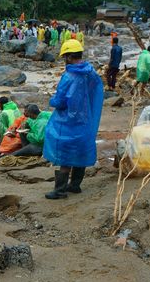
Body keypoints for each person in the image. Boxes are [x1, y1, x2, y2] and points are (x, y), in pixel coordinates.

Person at [43, 39, 104, 199]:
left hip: (68, 122)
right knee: (80, 151)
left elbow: (61, 101)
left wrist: (52, 101)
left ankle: (60, 191)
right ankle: (75, 185)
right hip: (84, 121)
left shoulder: (69, 76)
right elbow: (96, 92)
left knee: (64, 155)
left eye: (65, 57)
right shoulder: (91, 73)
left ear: (69, 57)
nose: (64, 60)